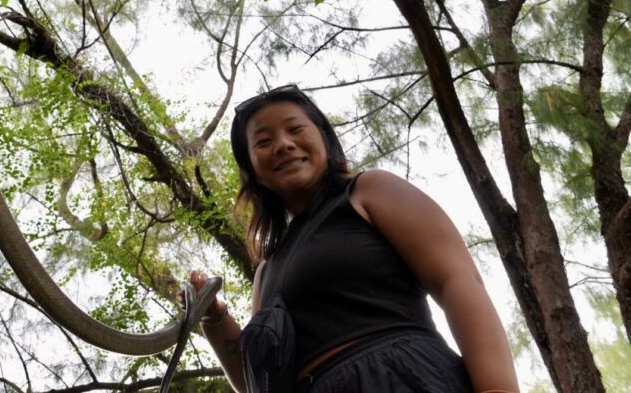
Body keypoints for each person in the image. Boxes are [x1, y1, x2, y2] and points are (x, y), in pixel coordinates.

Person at [186, 84, 520, 393]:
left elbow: (456, 279)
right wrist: (214, 320)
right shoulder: (265, 271)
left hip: (401, 378)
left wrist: (496, 388)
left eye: (295, 128)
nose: (284, 144)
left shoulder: (367, 191)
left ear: (324, 140)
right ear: (252, 168)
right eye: (263, 141)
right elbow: (260, 381)